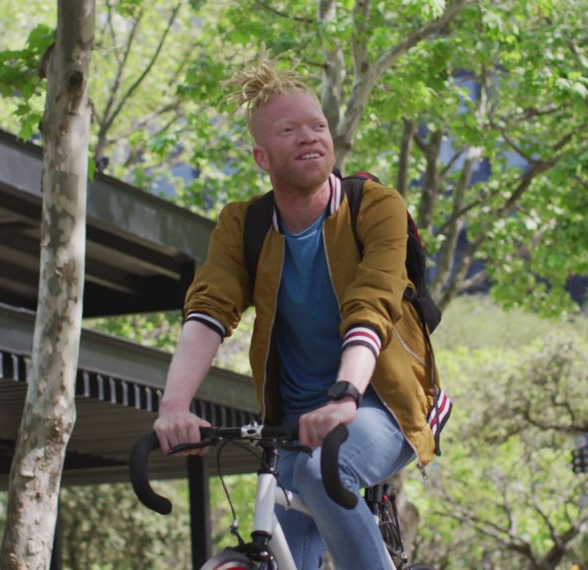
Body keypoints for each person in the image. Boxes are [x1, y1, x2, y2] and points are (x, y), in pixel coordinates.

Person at [153, 56, 443, 569]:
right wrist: (174, 406)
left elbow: (371, 306)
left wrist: (345, 396)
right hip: (291, 423)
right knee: (284, 527)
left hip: (381, 405)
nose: (310, 138)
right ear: (262, 157)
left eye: (318, 126)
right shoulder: (244, 224)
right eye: (289, 130)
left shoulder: (376, 206)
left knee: (314, 476)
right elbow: (208, 311)